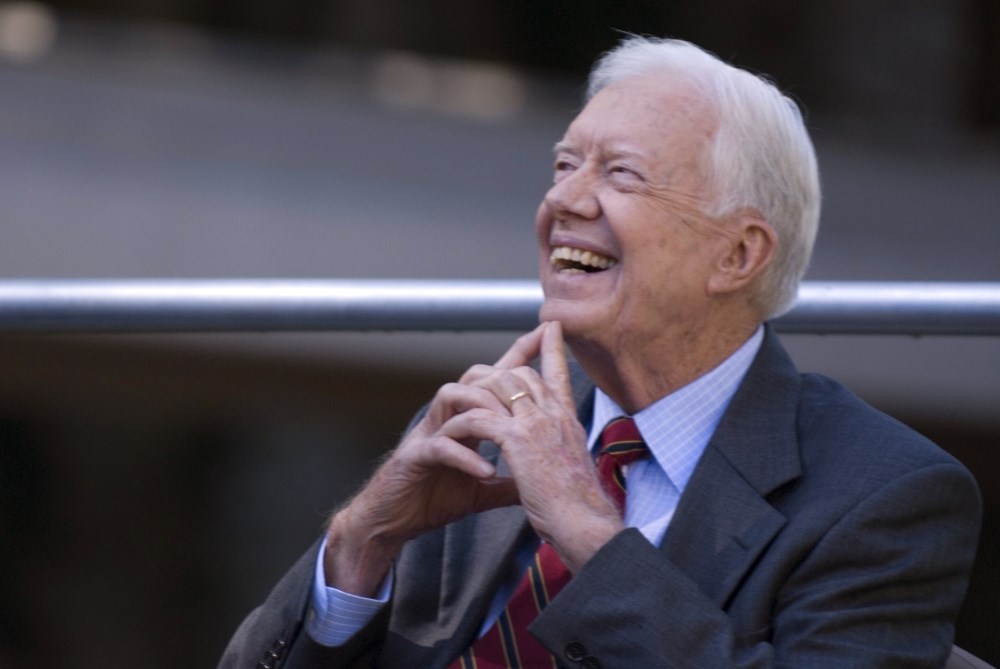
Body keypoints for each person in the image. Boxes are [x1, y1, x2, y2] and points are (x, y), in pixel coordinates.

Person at [220, 36, 981, 668]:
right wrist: (362, 540)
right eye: (562, 165)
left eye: (620, 173)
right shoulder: (487, 429)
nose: (565, 202)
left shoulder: (884, 495)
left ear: (738, 255)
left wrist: (588, 532)